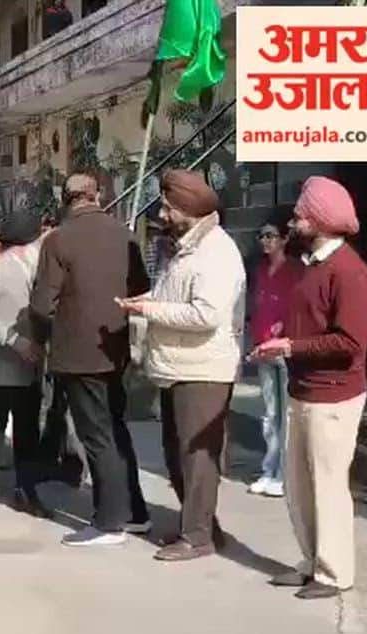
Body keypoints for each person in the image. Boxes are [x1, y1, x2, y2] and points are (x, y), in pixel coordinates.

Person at [252, 176, 367, 600]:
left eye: (301, 216)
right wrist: (283, 340)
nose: (294, 221)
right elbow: (307, 321)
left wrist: (292, 344)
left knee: (327, 486)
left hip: (334, 394)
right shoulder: (309, 265)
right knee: (299, 484)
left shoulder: (350, 271)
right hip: (302, 386)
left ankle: (333, 572)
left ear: (320, 220)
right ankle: (309, 561)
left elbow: (349, 343)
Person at [119, 169, 245, 561]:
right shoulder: (185, 249)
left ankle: (198, 537)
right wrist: (141, 304)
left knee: (197, 457)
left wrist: (151, 310)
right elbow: (170, 296)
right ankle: (203, 526)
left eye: (169, 208)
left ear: (188, 211)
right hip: (177, 366)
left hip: (203, 370)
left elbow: (206, 315)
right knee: (176, 454)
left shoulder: (217, 253)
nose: (162, 213)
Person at [30, 172, 151, 547]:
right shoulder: (124, 234)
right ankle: (134, 512)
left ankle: (110, 522)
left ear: (66, 199)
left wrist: (45, 338)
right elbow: (140, 287)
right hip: (114, 347)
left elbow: (40, 305)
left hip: (78, 353)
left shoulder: (58, 239)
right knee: (115, 429)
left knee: (97, 436)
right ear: (97, 195)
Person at [0, 209, 52, 519]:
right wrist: (16, 342)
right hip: (0, 364)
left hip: (32, 367)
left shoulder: (40, 268)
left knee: (28, 431)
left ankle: (26, 489)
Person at [247, 214, 303, 498]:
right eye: (262, 236)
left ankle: (284, 472)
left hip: (285, 346)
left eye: (271, 236)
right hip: (262, 345)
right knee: (269, 412)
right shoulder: (260, 270)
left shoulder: (295, 270)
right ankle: (269, 468)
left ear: (284, 239)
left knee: (286, 412)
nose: (265, 241)